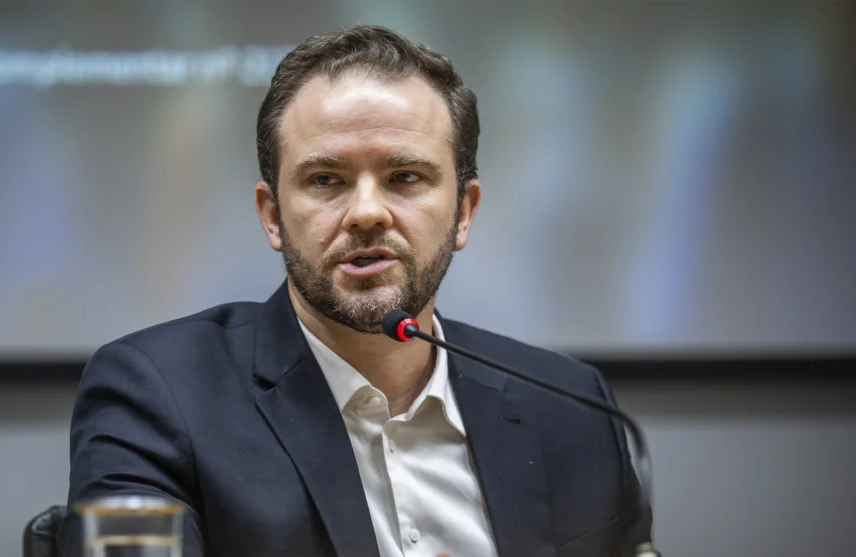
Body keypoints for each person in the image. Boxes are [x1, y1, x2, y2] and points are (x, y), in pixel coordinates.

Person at [58, 24, 653, 557]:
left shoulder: (571, 407)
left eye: (405, 177)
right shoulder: (157, 394)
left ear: (464, 212)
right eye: (326, 179)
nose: (367, 212)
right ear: (272, 216)